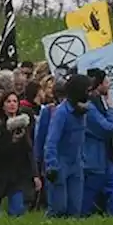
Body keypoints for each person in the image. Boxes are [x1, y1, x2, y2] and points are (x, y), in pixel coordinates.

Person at [81, 68, 113, 216]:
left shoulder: (97, 102)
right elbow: (108, 128)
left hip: (104, 158)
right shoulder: (90, 106)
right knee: (88, 199)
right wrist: (112, 109)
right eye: (105, 81)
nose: (108, 84)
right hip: (93, 159)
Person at [0, 90, 37, 216]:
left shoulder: (23, 125)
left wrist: (35, 174)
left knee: (18, 211)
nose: (12, 104)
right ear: (3, 105)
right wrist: (11, 141)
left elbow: (29, 151)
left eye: (15, 101)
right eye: (8, 101)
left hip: (17, 175)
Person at [44, 74, 90, 217]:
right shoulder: (61, 113)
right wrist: (51, 165)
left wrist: (82, 159)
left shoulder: (82, 112)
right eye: (86, 90)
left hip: (76, 164)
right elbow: (51, 141)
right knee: (59, 208)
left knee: (75, 208)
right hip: (60, 164)